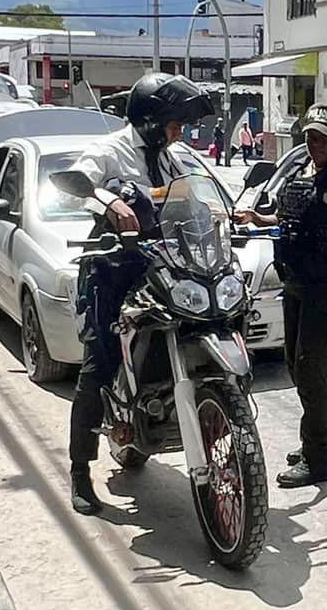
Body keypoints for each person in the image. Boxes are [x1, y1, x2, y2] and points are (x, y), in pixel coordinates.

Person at [68, 72, 216, 515]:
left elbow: (189, 200)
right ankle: (80, 470)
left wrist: (224, 217)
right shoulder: (109, 150)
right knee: (99, 364)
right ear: (151, 121)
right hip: (113, 267)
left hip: (162, 266)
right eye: (175, 123)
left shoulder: (171, 159)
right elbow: (79, 183)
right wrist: (110, 202)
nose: (180, 132)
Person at [255, 105, 327, 489]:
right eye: (309, 136)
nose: (314, 143)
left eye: (322, 138)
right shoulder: (306, 172)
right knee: (296, 366)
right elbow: (296, 220)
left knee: (310, 370)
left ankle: (317, 458)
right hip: (297, 284)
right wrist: (259, 220)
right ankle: (322, 436)